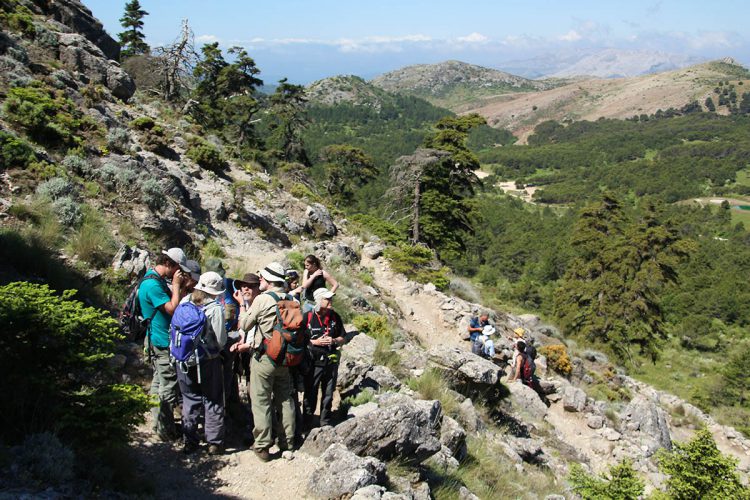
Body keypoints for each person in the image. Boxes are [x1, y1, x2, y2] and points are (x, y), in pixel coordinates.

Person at [232, 262, 296, 462]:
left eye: (262, 278)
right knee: (285, 400)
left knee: (261, 401)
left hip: (265, 356)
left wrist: (242, 305)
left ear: (269, 281)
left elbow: (244, 323)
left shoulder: (262, 300)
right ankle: (288, 443)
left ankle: (262, 446)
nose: (259, 280)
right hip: (285, 358)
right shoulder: (292, 299)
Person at [139, 247, 190, 441]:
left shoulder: (155, 280)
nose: (179, 272)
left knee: (158, 382)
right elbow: (171, 308)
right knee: (167, 385)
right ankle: (166, 429)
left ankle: (158, 423)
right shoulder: (152, 285)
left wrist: (179, 286)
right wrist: (176, 285)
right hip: (161, 341)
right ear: (168, 263)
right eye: (177, 267)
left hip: (156, 338)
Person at [175, 272, 227, 455]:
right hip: (207, 360)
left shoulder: (184, 302)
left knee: (189, 398)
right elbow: (220, 340)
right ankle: (214, 442)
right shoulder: (215, 308)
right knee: (212, 398)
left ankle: (190, 440)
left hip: (183, 359)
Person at [302, 288, 346, 430]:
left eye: (330, 298)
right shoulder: (307, 317)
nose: (330, 301)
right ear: (319, 300)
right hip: (313, 361)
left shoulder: (335, 317)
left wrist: (333, 341)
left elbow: (342, 337)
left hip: (330, 361)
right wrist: (315, 342)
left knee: (328, 393)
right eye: (327, 299)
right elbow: (299, 339)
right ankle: (307, 423)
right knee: (311, 392)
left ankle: (325, 422)